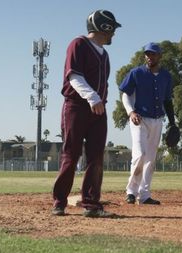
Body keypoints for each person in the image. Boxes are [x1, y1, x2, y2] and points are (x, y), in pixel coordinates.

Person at [51, 10, 121, 217]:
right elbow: (74, 76)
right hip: (76, 106)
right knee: (71, 155)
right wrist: (92, 97)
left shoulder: (104, 54)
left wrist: (98, 101)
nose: (113, 34)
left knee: (96, 157)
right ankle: (59, 202)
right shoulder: (78, 44)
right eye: (112, 29)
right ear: (104, 27)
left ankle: (91, 204)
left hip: (98, 109)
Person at [119, 42, 176, 205]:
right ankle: (131, 191)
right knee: (140, 154)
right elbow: (125, 94)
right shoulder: (136, 73)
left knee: (150, 158)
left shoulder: (166, 76)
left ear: (160, 56)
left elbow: (167, 100)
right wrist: (130, 112)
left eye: (153, 54)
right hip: (139, 119)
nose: (150, 57)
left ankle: (144, 195)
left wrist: (172, 123)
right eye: (147, 54)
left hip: (158, 120)